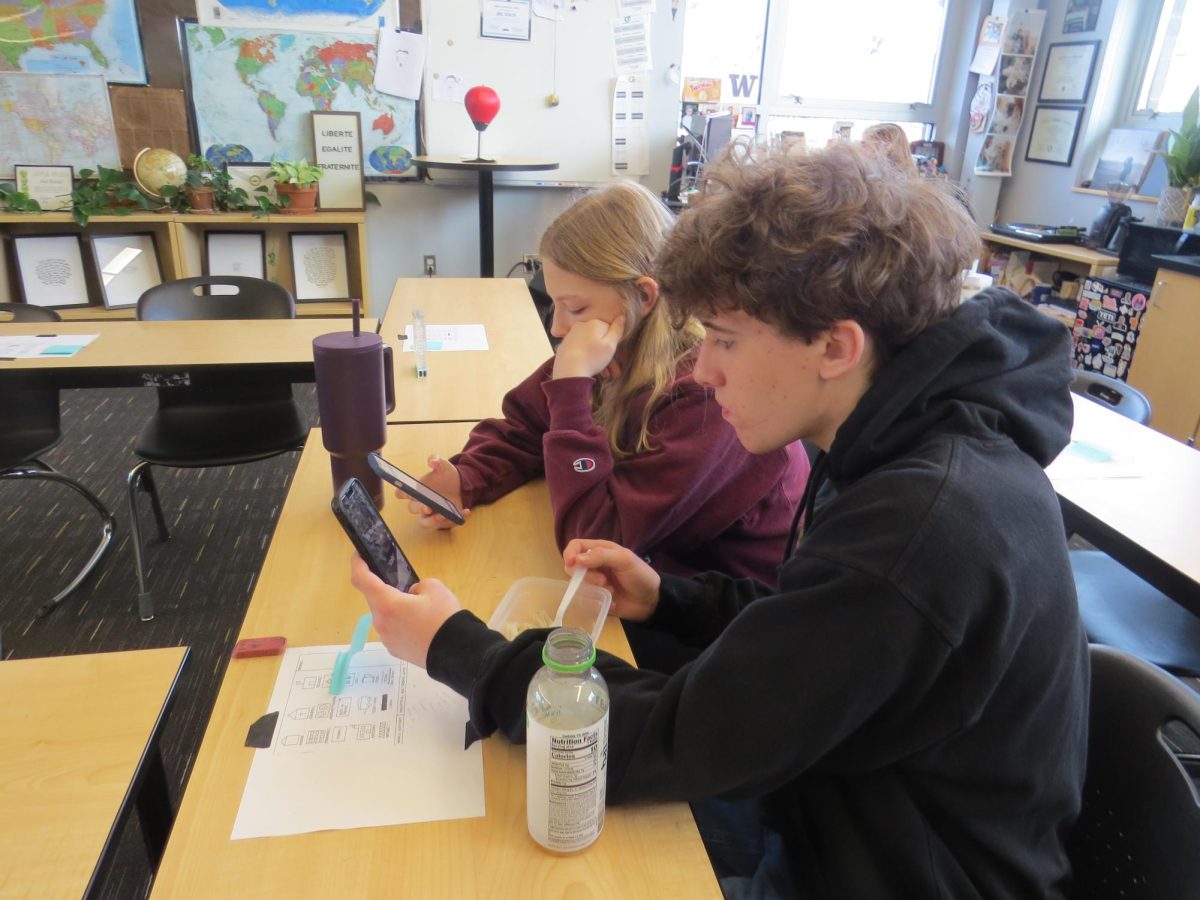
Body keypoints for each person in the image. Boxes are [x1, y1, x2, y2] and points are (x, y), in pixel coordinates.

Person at [352, 142, 1089, 898]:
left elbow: (682, 738)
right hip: (825, 795)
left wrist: (461, 650)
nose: (703, 370)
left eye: (727, 341)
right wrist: (674, 598)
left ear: (835, 347)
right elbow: (814, 628)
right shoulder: (899, 440)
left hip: (874, 867)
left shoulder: (918, 527)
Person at [403, 180, 809, 584]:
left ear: (644, 297)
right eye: (555, 304)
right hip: (652, 574)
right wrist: (468, 477)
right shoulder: (608, 347)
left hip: (709, 611)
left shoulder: (706, 397)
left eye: (575, 308)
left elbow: (595, 542)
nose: (560, 329)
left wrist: (571, 387)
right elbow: (525, 427)